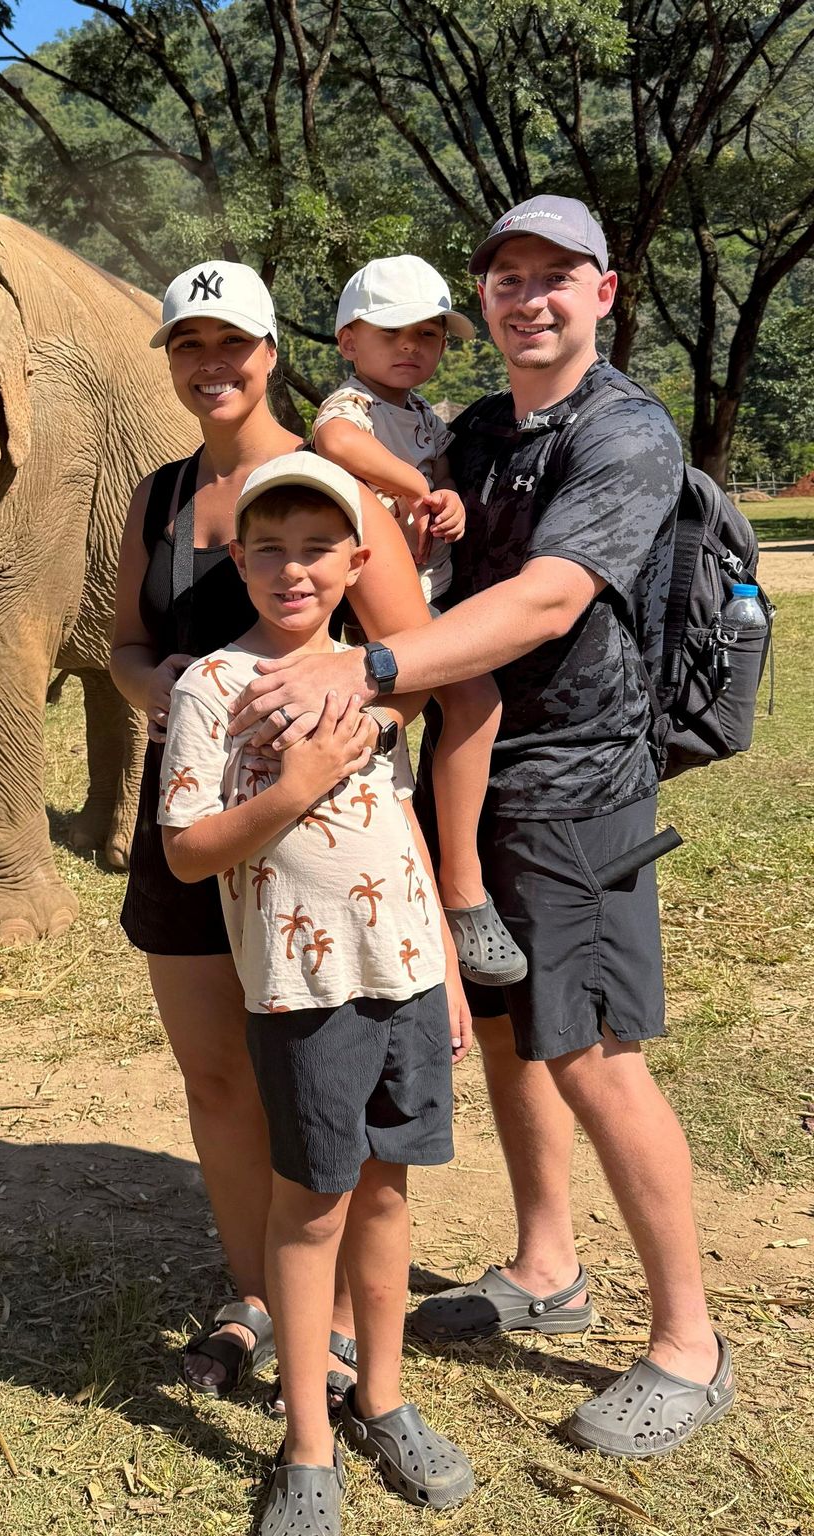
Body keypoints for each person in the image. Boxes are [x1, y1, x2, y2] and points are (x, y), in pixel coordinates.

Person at [227, 197, 734, 1458]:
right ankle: (549, 1264)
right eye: (507, 278)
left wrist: (375, 669)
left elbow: (550, 599)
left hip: (578, 786)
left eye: (556, 277)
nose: (530, 298)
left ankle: (690, 1343)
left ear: (604, 294)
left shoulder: (626, 432)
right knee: (516, 1036)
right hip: (485, 782)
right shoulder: (480, 428)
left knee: (595, 1052)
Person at [110, 261, 435, 1405]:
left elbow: (414, 658)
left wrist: (339, 733)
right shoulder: (157, 497)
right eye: (187, 347)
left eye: (231, 344)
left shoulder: (337, 478)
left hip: (318, 847)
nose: (212, 367)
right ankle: (253, 1292)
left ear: (272, 350)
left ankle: (338, 1312)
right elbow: (125, 643)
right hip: (192, 822)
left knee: (316, 1082)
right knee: (217, 1078)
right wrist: (185, 700)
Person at [160, 452, 473, 1536]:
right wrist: (291, 786)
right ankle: (306, 1445)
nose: (294, 568)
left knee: (389, 1189)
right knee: (311, 1206)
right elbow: (189, 850)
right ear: (238, 559)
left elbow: (400, 822)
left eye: (317, 547)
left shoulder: (372, 676)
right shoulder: (210, 687)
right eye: (270, 548)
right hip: (301, 994)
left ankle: (381, 1397)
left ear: (355, 561)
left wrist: (438, 945)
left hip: (406, 976)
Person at [314, 256, 525, 987]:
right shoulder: (353, 407)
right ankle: (460, 893)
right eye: (392, 332)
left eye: (430, 335)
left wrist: (449, 499)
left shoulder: (426, 417)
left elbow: (440, 486)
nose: (413, 347)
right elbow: (336, 448)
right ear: (348, 340)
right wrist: (416, 485)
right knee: (471, 700)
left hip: (429, 596)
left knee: (402, 745)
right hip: (387, 605)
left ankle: (415, 888)